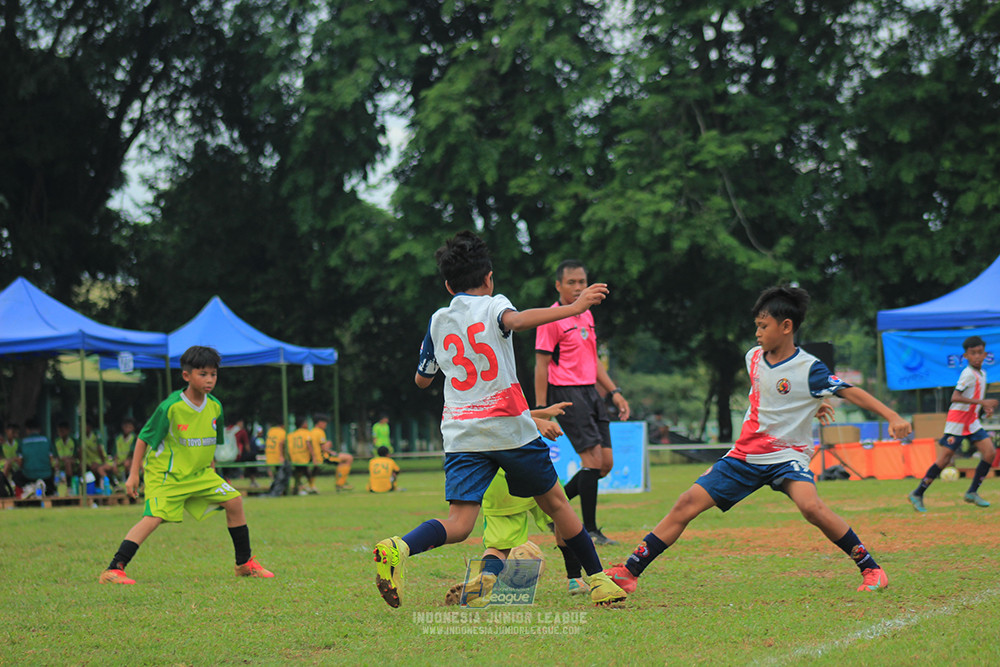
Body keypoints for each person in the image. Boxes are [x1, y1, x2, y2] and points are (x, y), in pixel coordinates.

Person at [372, 230, 627, 609]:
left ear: (447, 284)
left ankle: (400, 546)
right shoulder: (494, 306)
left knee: (459, 523)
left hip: (461, 434)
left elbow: (422, 379)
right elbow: (520, 320)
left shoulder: (438, 321)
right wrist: (575, 308)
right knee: (557, 504)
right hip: (509, 430)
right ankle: (599, 581)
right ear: (489, 278)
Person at [604, 285, 912, 595]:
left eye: (763, 326)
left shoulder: (809, 368)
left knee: (811, 507)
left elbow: (848, 390)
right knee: (686, 503)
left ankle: (871, 568)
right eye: (756, 326)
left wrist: (892, 416)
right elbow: (768, 394)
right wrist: (811, 403)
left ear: (786, 326)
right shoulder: (752, 357)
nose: (758, 333)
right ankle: (629, 572)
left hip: (787, 457)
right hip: (745, 457)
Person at [98, 345, 273, 584]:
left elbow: (210, 443)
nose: (210, 379)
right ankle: (114, 569)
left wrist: (213, 474)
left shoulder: (215, 406)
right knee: (154, 518)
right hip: (167, 475)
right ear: (186, 375)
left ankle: (244, 564)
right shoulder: (171, 407)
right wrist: (133, 475)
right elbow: (143, 439)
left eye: (213, 374)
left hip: (200, 474)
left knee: (234, 501)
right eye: (203, 374)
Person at [444, 404, 593, 604]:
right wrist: (540, 420)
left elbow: (501, 414)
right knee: (561, 517)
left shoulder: (463, 395)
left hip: (496, 477)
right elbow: (509, 416)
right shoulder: (502, 376)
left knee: (498, 544)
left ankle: (487, 576)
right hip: (529, 464)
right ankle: (575, 578)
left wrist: (543, 412)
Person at [534, 259, 631, 545]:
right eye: (571, 283)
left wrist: (614, 391)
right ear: (558, 286)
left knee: (606, 464)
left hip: (592, 392)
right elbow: (541, 365)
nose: (578, 288)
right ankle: (589, 530)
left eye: (582, 282)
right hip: (567, 394)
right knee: (592, 461)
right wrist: (542, 411)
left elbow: (594, 361)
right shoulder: (551, 318)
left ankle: (554, 511)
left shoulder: (586, 315)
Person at [909, 335, 999, 511]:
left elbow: (974, 397)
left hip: (972, 422)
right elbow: (955, 397)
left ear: (985, 354)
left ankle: (972, 492)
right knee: (944, 460)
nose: (977, 356)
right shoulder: (967, 374)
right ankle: (918, 493)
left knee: (989, 452)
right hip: (957, 423)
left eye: (980, 353)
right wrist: (983, 403)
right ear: (966, 356)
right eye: (973, 353)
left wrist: (983, 409)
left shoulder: (982, 374)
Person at [13, 418, 58, 495]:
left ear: (27, 429)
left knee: (16, 476)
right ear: (39, 429)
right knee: (53, 472)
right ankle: (48, 490)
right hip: (46, 475)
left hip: (28, 475)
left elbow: (20, 463)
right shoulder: (47, 441)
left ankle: (28, 488)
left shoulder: (23, 442)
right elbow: (52, 461)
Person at [315, 413, 353, 491]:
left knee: (342, 462)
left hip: (317, 456)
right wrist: (331, 451)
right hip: (323, 457)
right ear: (320, 422)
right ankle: (340, 483)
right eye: (325, 422)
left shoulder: (312, 431)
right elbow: (323, 448)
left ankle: (341, 482)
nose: (326, 425)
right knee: (349, 458)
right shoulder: (320, 432)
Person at [287, 416, 319, 495]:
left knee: (299, 472)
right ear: (303, 424)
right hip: (303, 457)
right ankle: (310, 486)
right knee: (307, 471)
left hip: (294, 457)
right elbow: (309, 445)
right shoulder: (307, 433)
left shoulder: (291, 435)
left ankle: (299, 487)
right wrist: (314, 457)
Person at [111, 417, 137, 482]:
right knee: (105, 467)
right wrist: (115, 464)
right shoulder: (118, 438)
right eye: (126, 426)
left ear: (133, 428)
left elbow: (133, 453)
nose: (127, 429)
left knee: (127, 464)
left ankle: (128, 482)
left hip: (130, 462)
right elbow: (115, 453)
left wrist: (127, 461)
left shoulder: (134, 438)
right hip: (119, 462)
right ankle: (114, 484)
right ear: (122, 427)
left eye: (129, 427)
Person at [53, 421, 77, 487]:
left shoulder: (73, 441)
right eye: (59, 431)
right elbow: (55, 456)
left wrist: (67, 458)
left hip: (72, 461)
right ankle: (58, 485)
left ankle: (70, 483)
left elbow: (76, 456)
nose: (60, 433)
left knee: (67, 462)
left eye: (62, 431)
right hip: (60, 461)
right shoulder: (57, 441)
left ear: (67, 431)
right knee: (55, 463)